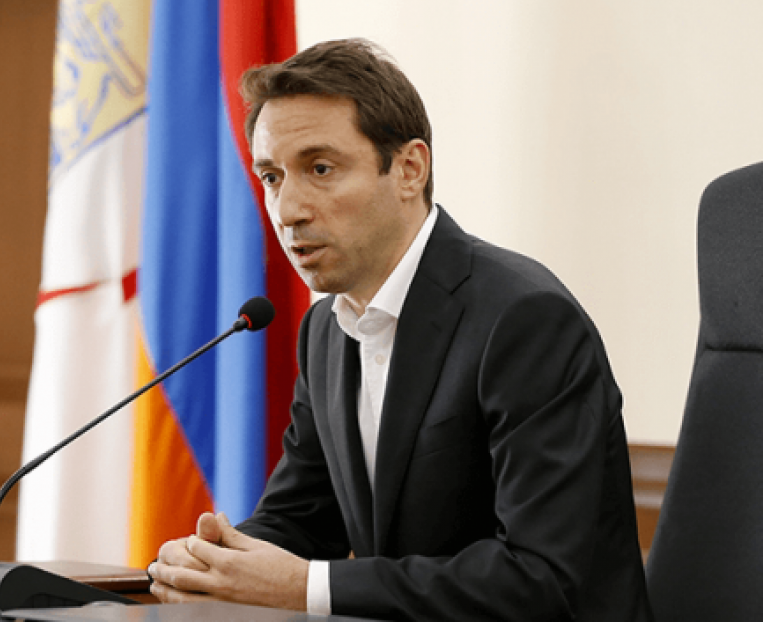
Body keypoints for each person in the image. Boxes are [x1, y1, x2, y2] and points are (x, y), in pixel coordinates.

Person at [148, 38, 653, 621]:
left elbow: (539, 579)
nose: (287, 210)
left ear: (410, 169)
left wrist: (305, 587)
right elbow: (300, 519)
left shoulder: (524, 319)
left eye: (320, 169)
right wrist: (213, 562)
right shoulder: (326, 331)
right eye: (271, 177)